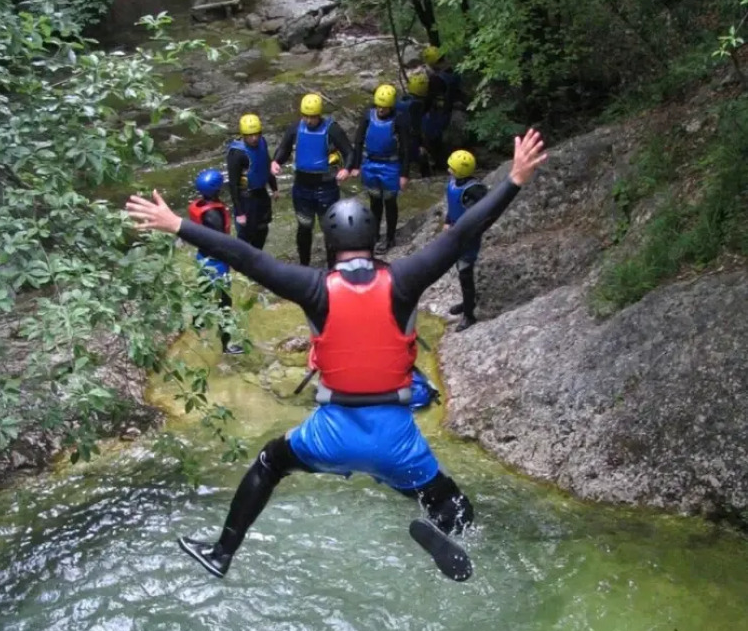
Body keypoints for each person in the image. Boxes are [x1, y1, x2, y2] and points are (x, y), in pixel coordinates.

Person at [125, 129, 547, 583]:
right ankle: (461, 539)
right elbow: (465, 230)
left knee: (270, 462)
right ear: (372, 240)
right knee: (444, 495)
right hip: (396, 437)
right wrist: (514, 180)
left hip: (330, 434)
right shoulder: (405, 279)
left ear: (329, 242)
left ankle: (223, 552)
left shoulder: (312, 288)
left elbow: (245, 257)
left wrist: (178, 225)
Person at [270, 93, 353, 267]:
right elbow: (284, 149)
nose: (309, 120)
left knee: (329, 228)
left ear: (319, 115)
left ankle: (332, 267)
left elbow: (349, 151)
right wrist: (276, 161)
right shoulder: (295, 129)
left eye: (312, 117)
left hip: (326, 187)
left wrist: (347, 169)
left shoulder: (332, 129)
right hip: (302, 187)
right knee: (304, 226)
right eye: (306, 116)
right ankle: (304, 265)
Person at [188, 169, 244, 355]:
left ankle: (198, 323)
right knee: (225, 304)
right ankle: (226, 346)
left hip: (202, 258)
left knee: (203, 294)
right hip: (217, 264)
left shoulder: (198, 205)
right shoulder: (214, 215)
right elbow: (221, 242)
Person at [349, 84, 410, 251]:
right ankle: (374, 235)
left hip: (390, 165)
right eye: (379, 106)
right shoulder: (368, 116)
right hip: (370, 164)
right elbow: (359, 141)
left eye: (384, 107)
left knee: (390, 202)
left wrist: (404, 174)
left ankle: (390, 238)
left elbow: (406, 148)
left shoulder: (399, 120)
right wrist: (356, 165)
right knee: (375, 202)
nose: (381, 109)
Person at [443, 150, 488, 332]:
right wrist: (447, 221)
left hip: (468, 236)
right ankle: (467, 302)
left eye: (451, 168)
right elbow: (452, 206)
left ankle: (469, 315)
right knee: (460, 269)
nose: (448, 170)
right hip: (456, 232)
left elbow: (481, 213)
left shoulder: (474, 190)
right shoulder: (454, 183)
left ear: (459, 171)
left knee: (465, 273)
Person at [227, 113, 278, 250]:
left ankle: (258, 257)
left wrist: (274, 188)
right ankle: (243, 262)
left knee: (263, 228)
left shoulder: (262, 142)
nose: (254, 138)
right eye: (250, 135)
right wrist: (240, 212)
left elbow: (266, 164)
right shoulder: (237, 154)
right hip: (246, 198)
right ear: (244, 135)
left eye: (257, 134)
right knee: (246, 233)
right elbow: (233, 184)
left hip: (261, 192)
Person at [421, 46, 466, 173]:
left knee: (431, 133)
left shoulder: (436, 79)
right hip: (458, 107)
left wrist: (422, 112)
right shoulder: (455, 71)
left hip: (443, 112)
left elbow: (430, 99)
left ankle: (439, 162)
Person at [395, 73, 431, 178]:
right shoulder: (417, 105)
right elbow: (417, 128)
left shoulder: (400, 100)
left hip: (396, 139)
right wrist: (422, 144)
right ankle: (427, 178)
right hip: (409, 141)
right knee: (422, 155)